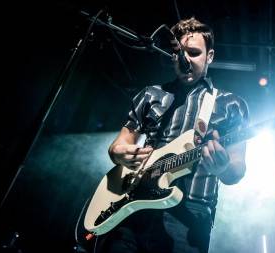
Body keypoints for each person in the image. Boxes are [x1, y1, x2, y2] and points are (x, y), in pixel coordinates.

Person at [94, 17, 249, 253]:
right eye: (180, 53)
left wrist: (222, 168)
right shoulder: (151, 94)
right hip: (132, 208)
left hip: (190, 216)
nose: (185, 59)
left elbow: (236, 170)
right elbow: (119, 144)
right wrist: (119, 152)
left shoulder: (231, 104)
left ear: (210, 56)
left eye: (194, 52)